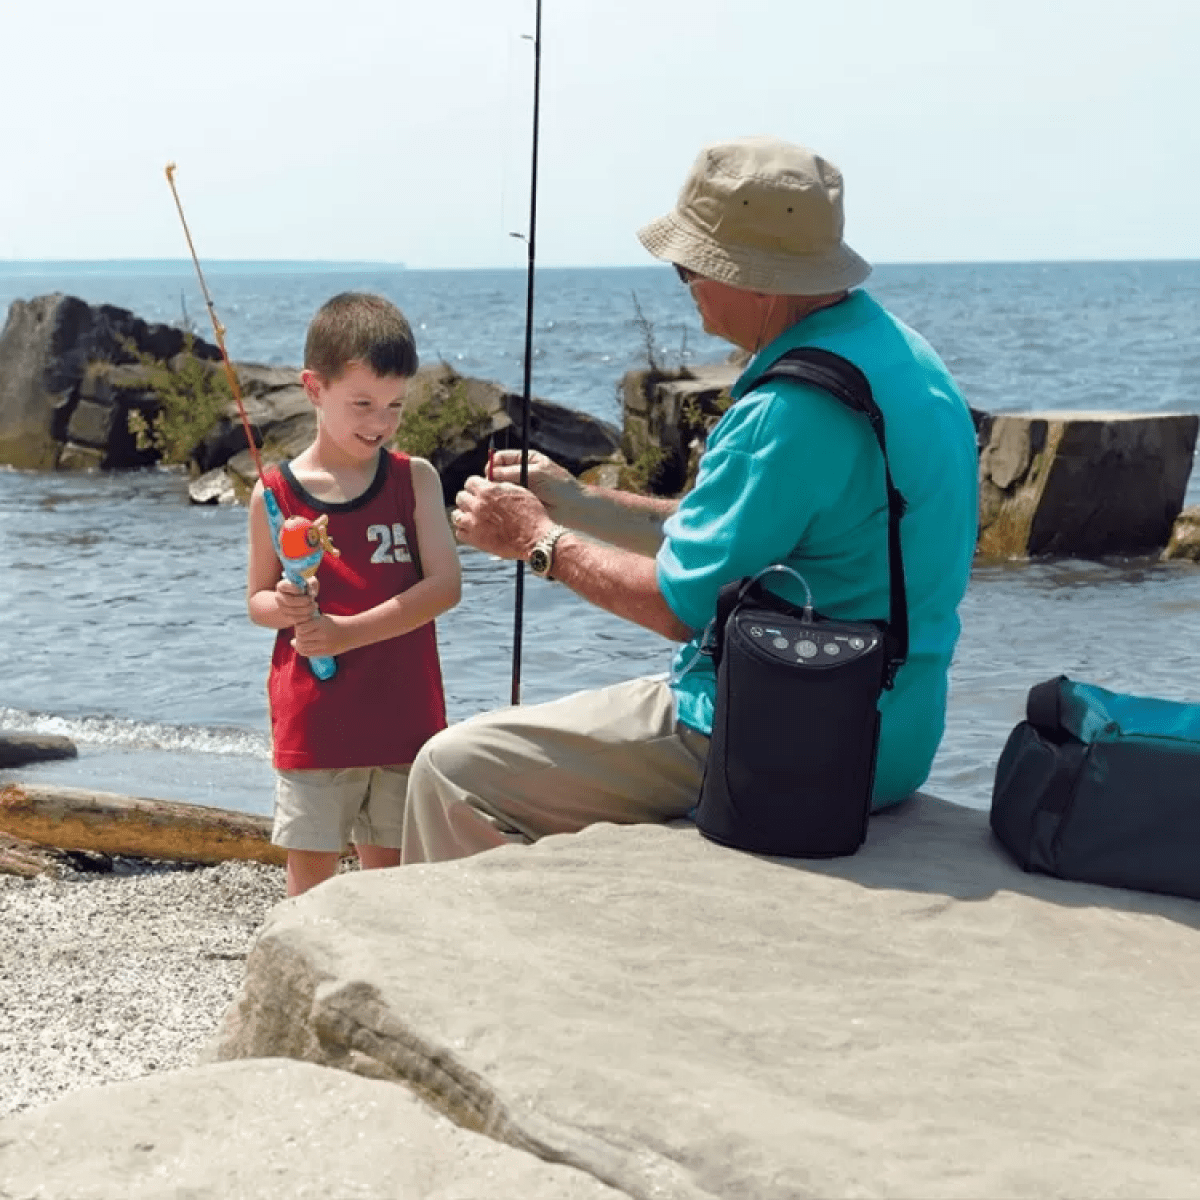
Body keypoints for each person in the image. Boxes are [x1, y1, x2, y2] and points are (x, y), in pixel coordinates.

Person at [401, 135, 978, 864]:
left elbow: (679, 609)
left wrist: (538, 542)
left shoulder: (789, 413)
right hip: (896, 733)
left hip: (783, 740)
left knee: (452, 770)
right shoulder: (901, 356)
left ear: (759, 280)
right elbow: (736, 532)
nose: (685, 283)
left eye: (689, 266)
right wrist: (574, 500)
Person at [247, 292, 461, 895]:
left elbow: (445, 587)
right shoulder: (273, 494)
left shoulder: (414, 479)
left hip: (405, 719)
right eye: (362, 404)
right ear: (314, 389)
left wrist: (347, 633)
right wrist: (285, 607)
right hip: (314, 725)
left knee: (390, 889)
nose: (380, 422)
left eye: (395, 405)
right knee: (310, 886)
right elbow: (257, 602)